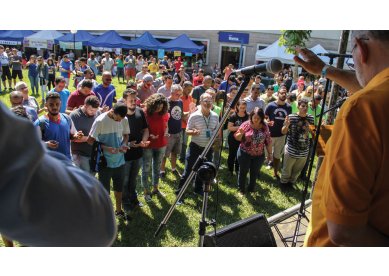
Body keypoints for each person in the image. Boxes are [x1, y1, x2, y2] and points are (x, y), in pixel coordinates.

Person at [294, 31, 389, 246]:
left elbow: (344, 232)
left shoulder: (362, 108)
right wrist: (324, 70)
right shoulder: (376, 100)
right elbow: (372, 89)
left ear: (360, 48)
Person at [0, 102, 116, 246]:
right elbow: (99, 227)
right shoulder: (37, 128)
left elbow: (72, 135)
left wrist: (74, 136)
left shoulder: (66, 119)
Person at [87, 103, 130, 218]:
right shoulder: (100, 121)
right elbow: (90, 141)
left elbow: (126, 135)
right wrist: (106, 148)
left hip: (120, 161)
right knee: (105, 191)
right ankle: (106, 214)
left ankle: (119, 210)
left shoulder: (124, 119)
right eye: (117, 119)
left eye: (121, 119)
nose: (119, 121)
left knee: (119, 187)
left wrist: (124, 144)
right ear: (112, 111)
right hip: (104, 162)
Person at [176, 93, 219, 199]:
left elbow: (215, 131)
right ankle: (179, 194)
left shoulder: (215, 116)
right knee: (188, 171)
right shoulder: (194, 116)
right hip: (195, 147)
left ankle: (198, 189)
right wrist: (193, 132)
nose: (208, 103)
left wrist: (215, 140)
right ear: (200, 102)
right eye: (205, 101)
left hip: (208, 148)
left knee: (204, 170)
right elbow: (187, 131)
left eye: (210, 101)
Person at [122, 89, 150, 214]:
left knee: (133, 179)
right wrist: (127, 144)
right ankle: (125, 202)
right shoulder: (121, 115)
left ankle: (133, 198)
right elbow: (115, 136)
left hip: (138, 153)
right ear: (124, 101)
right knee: (125, 180)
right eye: (130, 100)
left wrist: (144, 141)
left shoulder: (140, 112)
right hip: (124, 155)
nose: (133, 102)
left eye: (135, 100)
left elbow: (146, 129)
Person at [234, 107, 272, 195]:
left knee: (254, 173)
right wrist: (241, 133)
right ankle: (241, 190)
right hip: (245, 153)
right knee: (243, 171)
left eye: (258, 118)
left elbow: (268, 141)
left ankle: (251, 188)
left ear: (262, 118)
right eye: (254, 117)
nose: (255, 120)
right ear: (250, 117)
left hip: (259, 154)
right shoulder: (246, 124)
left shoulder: (265, 126)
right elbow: (237, 138)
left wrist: (270, 154)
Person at [35, 92, 83, 160]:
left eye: (57, 104)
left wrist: (76, 136)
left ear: (60, 104)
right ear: (46, 105)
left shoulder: (67, 118)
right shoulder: (40, 123)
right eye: (51, 104)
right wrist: (46, 144)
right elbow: (32, 144)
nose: (54, 107)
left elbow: (71, 136)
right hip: (50, 164)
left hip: (67, 160)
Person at [279, 99, 314, 187]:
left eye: (306, 106)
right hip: (291, 149)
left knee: (297, 171)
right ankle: (283, 184)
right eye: (303, 106)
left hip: (304, 150)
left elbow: (313, 133)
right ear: (298, 107)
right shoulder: (291, 117)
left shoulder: (311, 118)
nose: (305, 108)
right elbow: (283, 132)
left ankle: (291, 183)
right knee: (287, 170)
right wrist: (286, 126)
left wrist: (314, 129)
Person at [141, 93, 169, 202]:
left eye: (161, 107)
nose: (159, 109)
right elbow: (141, 128)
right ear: (152, 104)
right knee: (146, 168)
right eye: (157, 107)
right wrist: (149, 135)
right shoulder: (144, 113)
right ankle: (146, 192)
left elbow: (166, 125)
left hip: (161, 144)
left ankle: (155, 188)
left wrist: (166, 132)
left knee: (157, 168)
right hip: (148, 145)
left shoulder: (164, 113)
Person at [264, 87, 292, 180]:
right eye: (282, 93)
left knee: (277, 156)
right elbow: (264, 117)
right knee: (263, 155)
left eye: (285, 93)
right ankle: (257, 171)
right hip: (269, 135)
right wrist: (266, 122)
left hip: (281, 136)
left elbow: (288, 120)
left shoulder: (288, 107)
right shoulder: (270, 105)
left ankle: (275, 173)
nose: (284, 94)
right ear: (278, 93)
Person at [69, 95, 101, 173]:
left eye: (95, 110)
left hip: (94, 152)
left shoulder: (98, 113)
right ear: (85, 106)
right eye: (91, 110)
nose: (93, 112)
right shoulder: (74, 116)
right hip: (80, 153)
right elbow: (73, 137)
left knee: (92, 175)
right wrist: (89, 139)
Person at [160, 84, 185, 179]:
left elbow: (181, 115)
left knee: (175, 152)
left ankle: (174, 169)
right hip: (168, 133)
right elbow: (161, 117)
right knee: (165, 154)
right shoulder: (165, 102)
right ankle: (162, 171)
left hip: (178, 131)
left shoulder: (180, 102)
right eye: (177, 94)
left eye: (180, 94)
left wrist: (190, 112)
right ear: (171, 93)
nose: (178, 97)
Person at [227, 100, 249, 176]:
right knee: (232, 154)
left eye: (244, 108)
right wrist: (240, 127)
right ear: (237, 107)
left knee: (240, 155)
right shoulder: (234, 116)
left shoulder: (248, 116)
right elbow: (230, 128)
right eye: (241, 107)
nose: (243, 109)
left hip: (243, 138)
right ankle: (230, 170)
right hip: (233, 138)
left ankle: (237, 169)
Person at [179, 81, 194, 162]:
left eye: (190, 90)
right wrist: (184, 117)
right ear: (183, 87)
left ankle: (182, 157)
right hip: (180, 124)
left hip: (187, 123)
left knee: (185, 142)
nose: (189, 91)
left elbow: (191, 110)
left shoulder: (190, 98)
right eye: (188, 89)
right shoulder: (179, 98)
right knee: (179, 142)